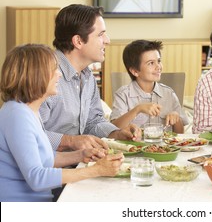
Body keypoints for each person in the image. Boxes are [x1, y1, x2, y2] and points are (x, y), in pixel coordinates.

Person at [0, 44, 124, 202]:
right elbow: (37, 177)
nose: (59, 75)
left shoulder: (28, 111)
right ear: (35, 75)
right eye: (54, 70)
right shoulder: (17, 116)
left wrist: (81, 155)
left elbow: (46, 158)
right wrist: (96, 170)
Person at [39, 4, 141, 152]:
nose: (107, 40)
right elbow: (28, 134)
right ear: (78, 41)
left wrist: (116, 133)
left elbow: (92, 121)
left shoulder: (87, 77)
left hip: (79, 163)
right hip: (49, 168)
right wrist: (71, 141)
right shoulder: (44, 74)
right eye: (100, 34)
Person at [110, 40, 189, 133]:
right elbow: (113, 129)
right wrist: (137, 109)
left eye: (159, 61)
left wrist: (176, 119)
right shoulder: (123, 94)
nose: (158, 66)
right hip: (134, 146)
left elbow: (180, 134)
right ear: (135, 71)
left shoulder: (169, 93)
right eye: (151, 63)